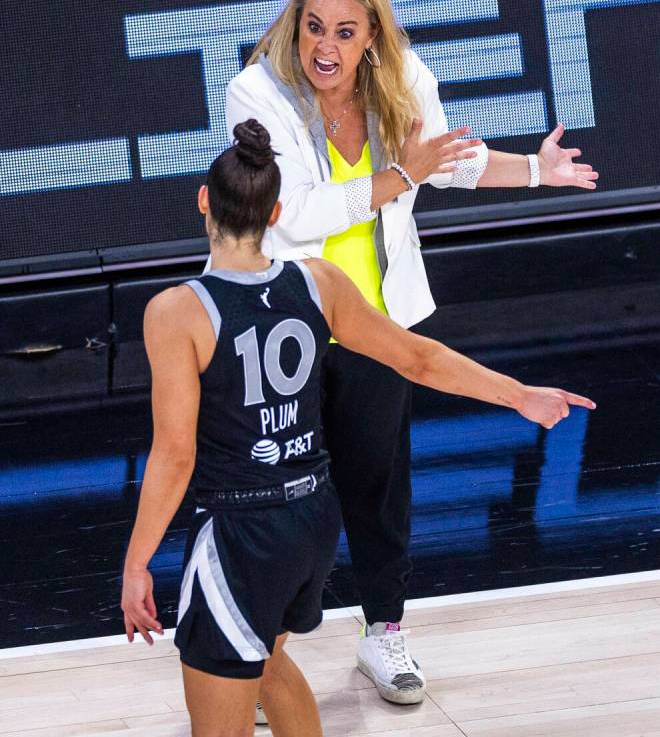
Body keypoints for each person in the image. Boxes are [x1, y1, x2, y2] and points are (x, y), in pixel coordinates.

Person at [122, 119, 596, 737]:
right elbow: (419, 358)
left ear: (204, 200)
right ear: (277, 211)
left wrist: (136, 565)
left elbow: (175, 456)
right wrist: (519, 396)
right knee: (267, 659)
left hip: (242, 530)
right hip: (314, 520)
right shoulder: (318, 282)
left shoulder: (176, 311)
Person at [214, 0, 600, 705]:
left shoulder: (403, 79)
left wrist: (535, 173)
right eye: (313, 27)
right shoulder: (254, 91)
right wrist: (400, 177)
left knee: (379, 486)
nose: (323, 46)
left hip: (378, 319)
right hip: (288, 323)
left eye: (344, 32)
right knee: (291, 496)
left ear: (371, 39)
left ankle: (383, 633)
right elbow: (295, 214)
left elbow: (444, 165)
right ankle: (267, 660)